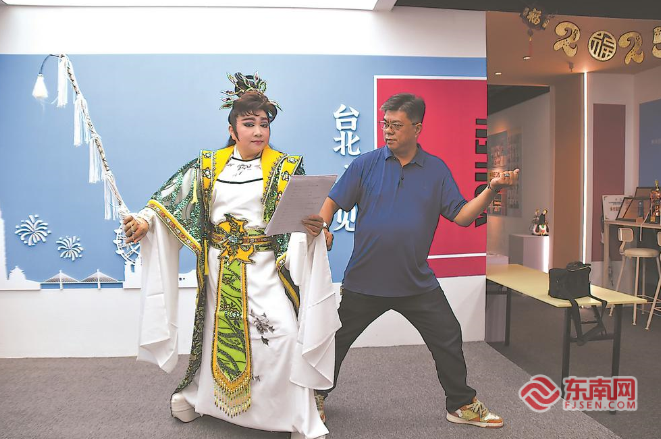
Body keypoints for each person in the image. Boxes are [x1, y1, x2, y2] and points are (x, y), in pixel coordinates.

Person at [122, 73, 336, 439]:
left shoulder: (285, 167)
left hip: (265, 268)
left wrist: (316, 231)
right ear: (232, 129)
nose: (258, 131)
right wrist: (144, 221)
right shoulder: (208, 166)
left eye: (264, 124)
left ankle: (293, 413)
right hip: (221, 270)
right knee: (217, 336)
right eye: (249, 124)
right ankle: (209, 401)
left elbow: (302, 218)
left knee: (282, 335)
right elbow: (169, 200)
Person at [314, 93, 519, 429]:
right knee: (335, 340)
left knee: (448, 334)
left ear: (417, 128)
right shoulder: (365, 164)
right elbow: (332, 201)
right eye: (385, 124)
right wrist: (323, 226)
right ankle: (316, 396)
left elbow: (463, 216)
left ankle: (461, 404)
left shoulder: (436, 170)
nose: (388, 131)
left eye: (397, 125)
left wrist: (491, 189)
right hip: (365, 279)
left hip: (415, 281)